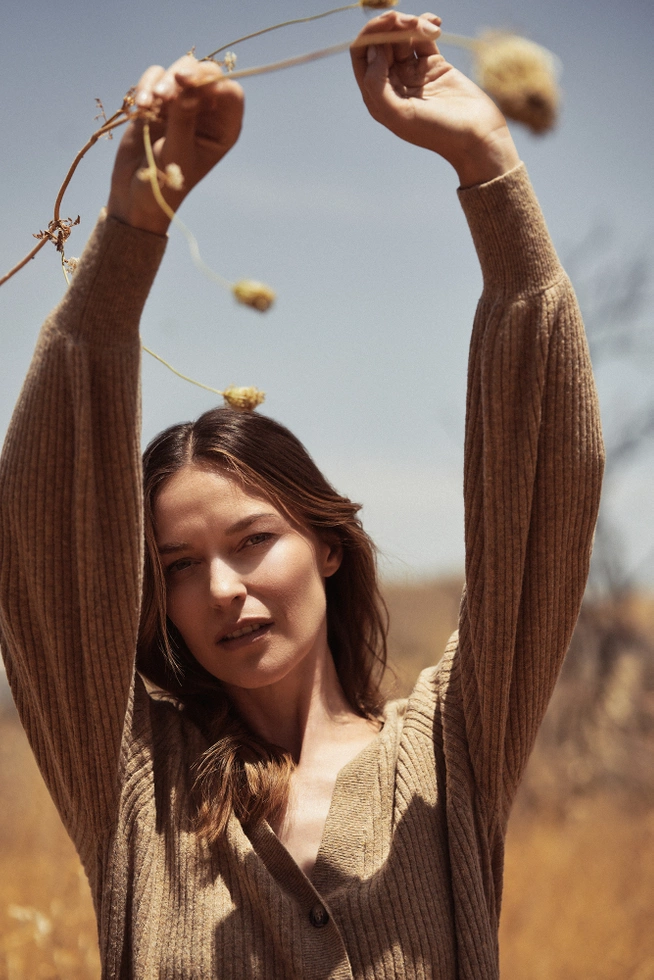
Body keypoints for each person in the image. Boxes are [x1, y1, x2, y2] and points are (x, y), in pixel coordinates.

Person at [0, 10, 604, 979]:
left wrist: (484, 159)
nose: (225, 589)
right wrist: (133, 225)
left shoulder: (451, 748)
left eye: (251, 539)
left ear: (326, 543)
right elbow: (39, 523)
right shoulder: (131, 779)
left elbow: (543, 490)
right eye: (180, 567)